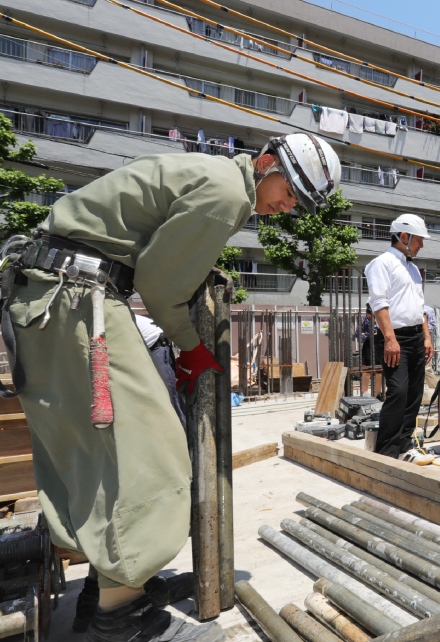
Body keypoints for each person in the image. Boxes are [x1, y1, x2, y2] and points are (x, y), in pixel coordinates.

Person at [1, 132, 340, 642]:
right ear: (267, 163)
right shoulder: (228, 191)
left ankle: (107, 589)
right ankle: (124, 618)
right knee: (149, 453)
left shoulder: (212, 176)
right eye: (289, 193)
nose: (287, 207)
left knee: (99, 456)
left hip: (50, 296)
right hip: (75, 299)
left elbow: (154, 253)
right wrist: (189, 344)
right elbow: (160, 283)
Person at [364, 214, 435, 464]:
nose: (421, 245)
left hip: (416, 337)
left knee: (415, 393)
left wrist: (426, 337)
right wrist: (390, 340)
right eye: (418, 239)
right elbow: (379, 305)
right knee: (398, 391)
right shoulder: (381, 264)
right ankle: (387, 450)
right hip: (397, 339)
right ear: (403, 237)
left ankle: (405, 445)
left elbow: (420, 307)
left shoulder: (413, 269)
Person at [421, 304, 438, 406]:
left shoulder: (428, 310)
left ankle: (437, 389)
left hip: (423, 340)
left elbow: (432, 326)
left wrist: (424, 330)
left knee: (426, 367)